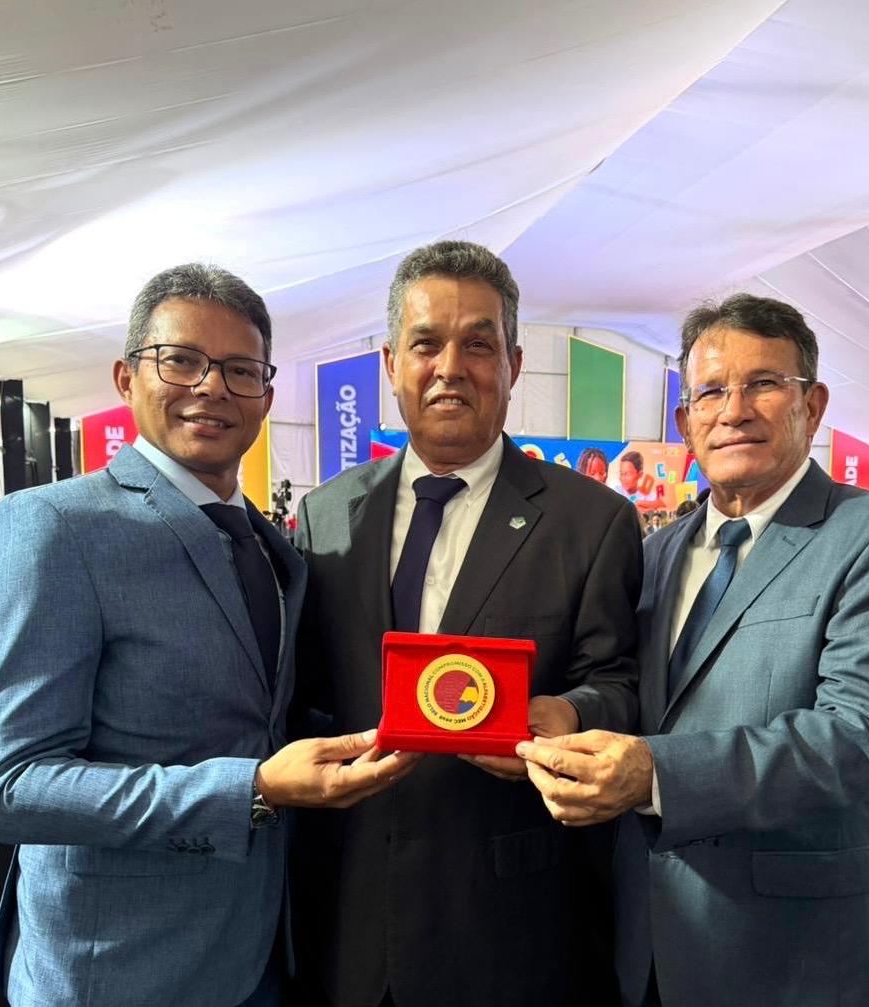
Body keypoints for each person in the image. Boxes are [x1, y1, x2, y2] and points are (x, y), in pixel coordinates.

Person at [0, 264, 417, 1007]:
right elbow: (15, 788)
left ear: (266, 397)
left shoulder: (275, 547)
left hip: (263, 950)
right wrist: (253, 788)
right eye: (181, 360)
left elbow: (265, 716)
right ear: (126, 377)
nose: (212, 387)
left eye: (240, 370)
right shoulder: (56, 526)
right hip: (118, 970)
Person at [517, 293, 869, 1007]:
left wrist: (656, 774)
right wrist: (572, 714)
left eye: (764, 383)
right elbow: (635, 691)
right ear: (685, 421)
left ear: (813, 404)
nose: (734, 410)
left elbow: (863, 734)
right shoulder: (655, 555)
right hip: (652, 944)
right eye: (711, 391)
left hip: (799, 956)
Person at [291, 240, 643, 1007]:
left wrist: (567, 713)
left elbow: (618, 682)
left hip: (509, 925)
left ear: (512, 365)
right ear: (392, 364)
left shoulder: (590, 521)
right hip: (353, 918)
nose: (450, 367)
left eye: (478, 345)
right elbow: (309, 692)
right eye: (426, 344)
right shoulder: (326, 514)